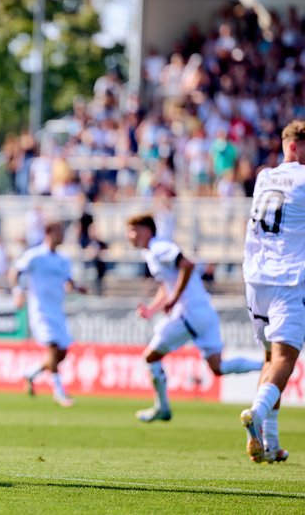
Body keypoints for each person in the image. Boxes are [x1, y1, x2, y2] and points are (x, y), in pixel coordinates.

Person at [126, 213, 263, 422]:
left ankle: (162, 407)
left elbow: (187, 264)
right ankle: (268, 366)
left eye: (133, 230)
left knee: (150, 357)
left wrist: (175, 298)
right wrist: (153, 309)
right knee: (218, 367)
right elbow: (167, 285)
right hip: (204, 312)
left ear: (146, 230)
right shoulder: (151, 253)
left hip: (189, 312)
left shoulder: (159, 248)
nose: (129, 236)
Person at [241, 120, 305, 464]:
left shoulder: (264, 176)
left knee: (269, 358)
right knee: (285, 360)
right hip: (289, 281)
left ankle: (270, 444)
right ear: (294, 145)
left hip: (255, 280)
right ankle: (256, 411)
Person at [10, 222, 86, 407]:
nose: (62, 236)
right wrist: (18, 292)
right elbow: (15, 272)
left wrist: (77, 287)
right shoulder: (35, 255)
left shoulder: (63, 259)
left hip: (57, 311)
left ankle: (31, 373)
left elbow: (68, 281)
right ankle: (59, 392)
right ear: (49, 232)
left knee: (61, 353)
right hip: (40, 310)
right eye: (60, 231)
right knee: (52, 347)